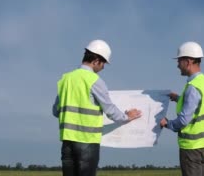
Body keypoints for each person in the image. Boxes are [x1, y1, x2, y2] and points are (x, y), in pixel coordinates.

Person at [52, 39, 141, 176]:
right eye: (103, 63)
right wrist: (127, 117)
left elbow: (56, 111)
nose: (103, 67)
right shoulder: (95, 80)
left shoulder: (65, 79)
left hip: (67, 142)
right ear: (96, 60)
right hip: (87, 143)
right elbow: (110, 110)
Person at [160, 41, 204, 176]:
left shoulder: (193, 87)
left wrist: (167, 124)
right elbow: (200, 105)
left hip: (192, 145)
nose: (177, 65)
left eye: (179, 61)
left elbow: (183, 120)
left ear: (188, 62)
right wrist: (178, 98)